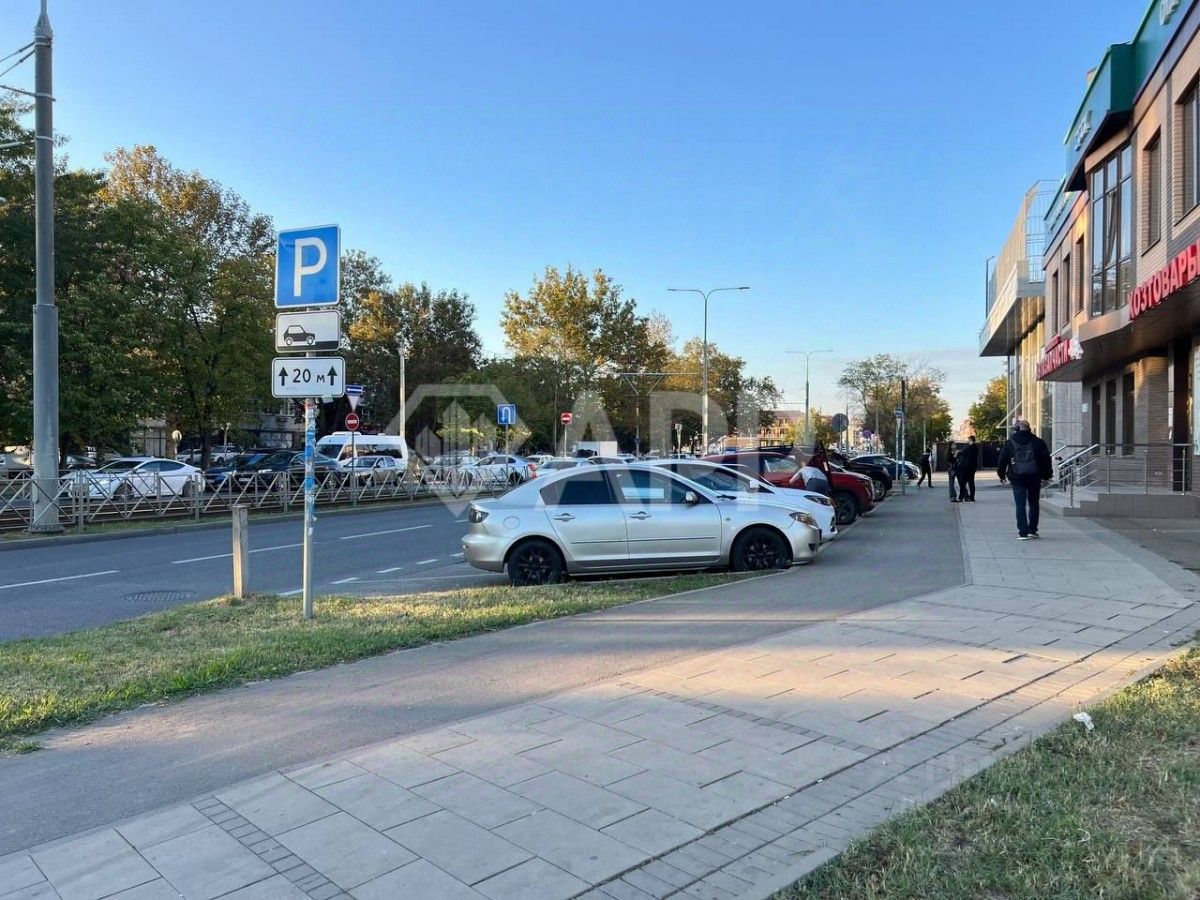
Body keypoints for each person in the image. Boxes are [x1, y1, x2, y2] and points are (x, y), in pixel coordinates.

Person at [997, 419, 1053, 540]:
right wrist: (1046, 476)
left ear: (1017, 429)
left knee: (1020, 505)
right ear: (1029, 428)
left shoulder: (1010, 443)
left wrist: (1001, 475)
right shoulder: (1038, 442)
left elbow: (1002, 460)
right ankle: (1032, 530)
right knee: (1034, 503)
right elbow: (1046, 460)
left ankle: (1023, 532)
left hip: (1017, 477)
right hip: (1034, 477)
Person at [959, 435, 980, 502]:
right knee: (971, 482)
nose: (967, 441)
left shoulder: (970, 447)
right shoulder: (976, 447)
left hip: (967, 467)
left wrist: (959, 452)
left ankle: (961, 497)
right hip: (973, 467)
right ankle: (972, 497)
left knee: (963, 482)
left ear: (970, 440)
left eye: (968, 440)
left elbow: (963, 452)